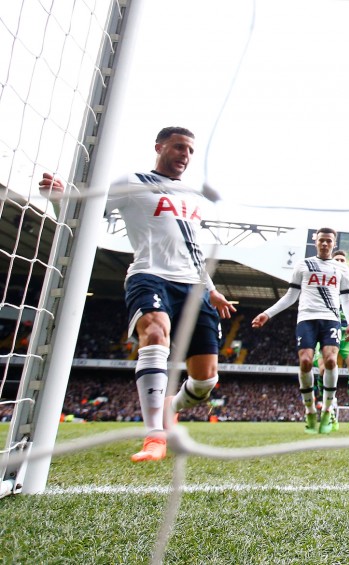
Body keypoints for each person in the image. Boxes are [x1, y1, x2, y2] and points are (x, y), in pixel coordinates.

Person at [39, 127, 236, 462]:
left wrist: (213, 290)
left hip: (194, 287)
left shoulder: (192, 195)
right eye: (178, 147)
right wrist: (61, 198)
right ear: (159, 147)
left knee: (205, 381)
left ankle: (169, 410)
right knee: (155, 332)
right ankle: (154, 437)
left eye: (189, 150)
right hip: (149, 275)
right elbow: (84, 216)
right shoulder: (133, 182)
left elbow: (190, 248)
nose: (184, 155)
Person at [251, 228, 349, 434]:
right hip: (306, 319)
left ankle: (327, 410)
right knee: (306, 361)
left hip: (331, 320)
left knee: (331, 361)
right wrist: (268, 313)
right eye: (321, 241)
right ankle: (309, 410)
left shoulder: (341, 269)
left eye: (328, 241)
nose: (325, 244)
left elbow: (345, 298)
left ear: (333, 244)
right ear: (315, 242)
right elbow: (291, 296)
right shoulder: (303, 265)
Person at [320, 250, 349, 431]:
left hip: (347, 331)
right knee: (324, 369)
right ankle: (329, 410)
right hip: (326, 329)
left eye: (342, 260)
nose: (340, 262)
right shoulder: (324, 282)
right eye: (336, 259)